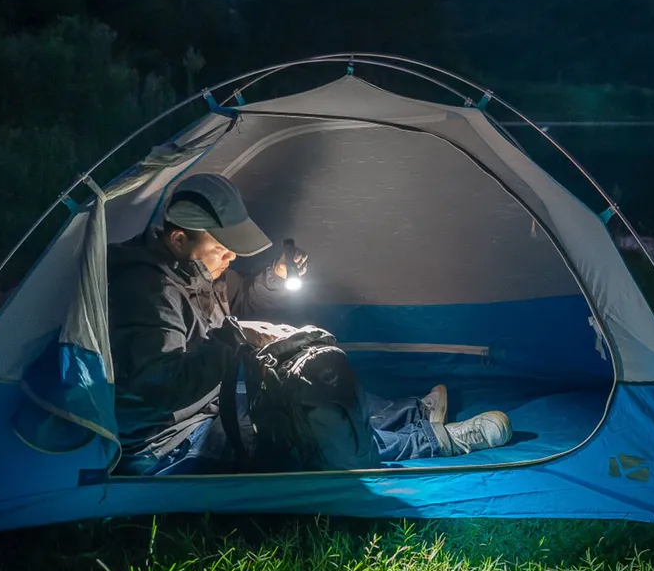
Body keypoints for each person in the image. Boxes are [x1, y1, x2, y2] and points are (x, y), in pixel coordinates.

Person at [107, 172, 512, 475]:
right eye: (222, 250)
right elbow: (162, 387)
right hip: (166, 443)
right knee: (305, 436)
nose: (229, 260)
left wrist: (275, 278)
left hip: (210, 408)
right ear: (178, 240)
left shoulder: (196, 269)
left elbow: (239, 305)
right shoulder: (145, 291)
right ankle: (438, 441)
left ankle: (409, 416)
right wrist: (236, 337)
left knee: (302, 396)